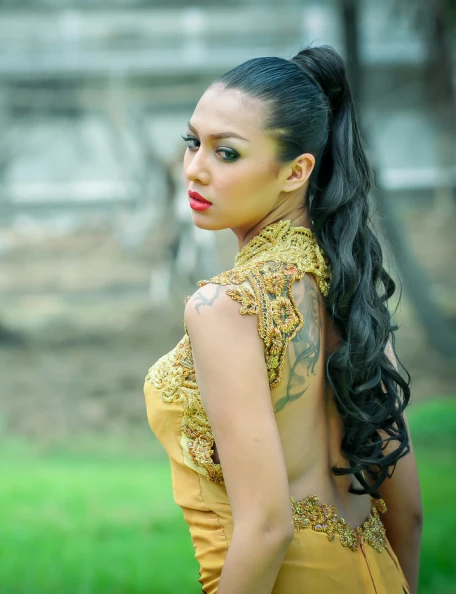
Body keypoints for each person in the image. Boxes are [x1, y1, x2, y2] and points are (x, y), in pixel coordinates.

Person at [143, 45, 422, 594]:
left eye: (227, 154)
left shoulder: (225, 306)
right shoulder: (349, 289)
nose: (195, 169)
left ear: (296, 171)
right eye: (192, 143)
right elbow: (408, 512)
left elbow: (268, 528)